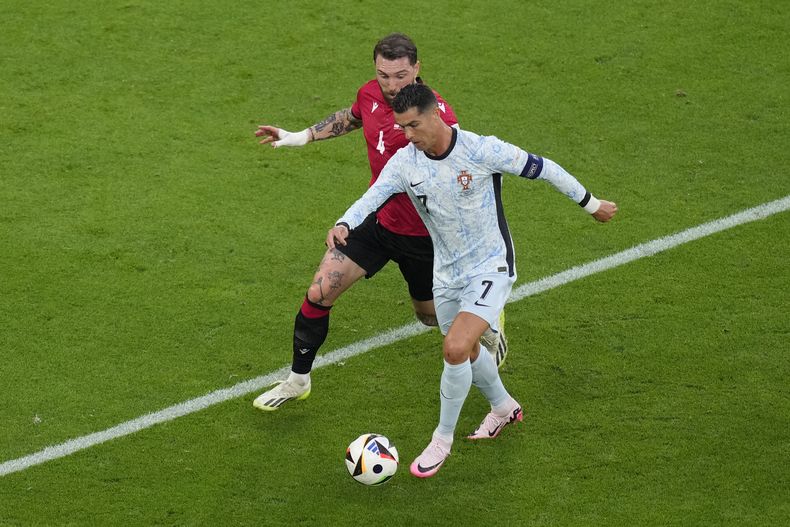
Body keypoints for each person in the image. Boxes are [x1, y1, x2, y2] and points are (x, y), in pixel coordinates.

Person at [328, 83, 618, 478]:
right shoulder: (405, 162)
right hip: (446, 274)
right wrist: (345, 221)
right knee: (464, 352)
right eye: (402, 128)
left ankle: (441, 440)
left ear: (435, 115)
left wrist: (593, 204)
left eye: (413, 126)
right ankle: (503, 407)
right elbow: (373, 196)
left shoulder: (481, 150)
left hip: (490, 267)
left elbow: (544, 167)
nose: (407, 136)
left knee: (455, 347)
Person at [252, 34, 508, 412]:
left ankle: (487, 318)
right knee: (320, 291)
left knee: (429, 317)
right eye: (383, 75)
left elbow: (461, 174)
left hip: (424, 236)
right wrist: (300, 137)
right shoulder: (370, 94)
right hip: (378, 222)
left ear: (418, 69)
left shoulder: (438, 116)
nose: (391, 85)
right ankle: (297, 380)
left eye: (400, 75)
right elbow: (353, 117)